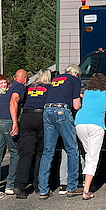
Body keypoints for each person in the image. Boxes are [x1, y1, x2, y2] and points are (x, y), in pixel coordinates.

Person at [37, 65, 82, 199]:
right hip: (62, 111)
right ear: (76, 74)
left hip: (47, 111)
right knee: (72, 148)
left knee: (48, 150)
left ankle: (43, 189)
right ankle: (72, 187)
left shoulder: (56, 79)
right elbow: (76, 105)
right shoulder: (75, 80)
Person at [0, 69, 27, 200]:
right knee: (15, 151)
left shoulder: (10, 86)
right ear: (24, 79)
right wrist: (15, 123)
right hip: (7, 121)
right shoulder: (20, 87)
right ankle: (10, 185)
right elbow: (13, 102)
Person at [13, 68, 52, 198]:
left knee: (26, 153)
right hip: (42, 116)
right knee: (41, 152)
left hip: (27, 116)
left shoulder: (28, 87)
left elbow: (20, 103)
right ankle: (38, 184)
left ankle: (19, 185)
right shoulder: (49, 87)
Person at [75, 73, 106, 200]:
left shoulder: (86, 93)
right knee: (93, 157)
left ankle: (86, 181)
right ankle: (86, 190)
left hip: (80, 123)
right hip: (96, 125)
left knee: (87, 153)